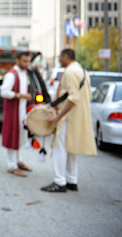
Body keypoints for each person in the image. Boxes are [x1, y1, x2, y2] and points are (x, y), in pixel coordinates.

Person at [41, 49, 96, 192]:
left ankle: (59, 181)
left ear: (66, 57)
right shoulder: (82, 71)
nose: (60, 59)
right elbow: (88, 96)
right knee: (71, 149)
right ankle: (72, 180)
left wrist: (58, 116)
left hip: (68, 117)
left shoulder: (70, 72)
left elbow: (73, 98)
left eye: (60, 57)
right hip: (78, 117)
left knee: (60, 148)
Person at [0, 52, 33, 177]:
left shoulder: (24, 73)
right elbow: (3, 91)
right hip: (13, 110)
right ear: (17, 60)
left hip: (22, 110)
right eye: (24, 61)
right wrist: (20, 95)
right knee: (12, 136)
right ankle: (12, 165)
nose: (27, 64)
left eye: (28, 61)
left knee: (20, 136)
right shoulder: (11, 74)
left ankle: (18, 161)